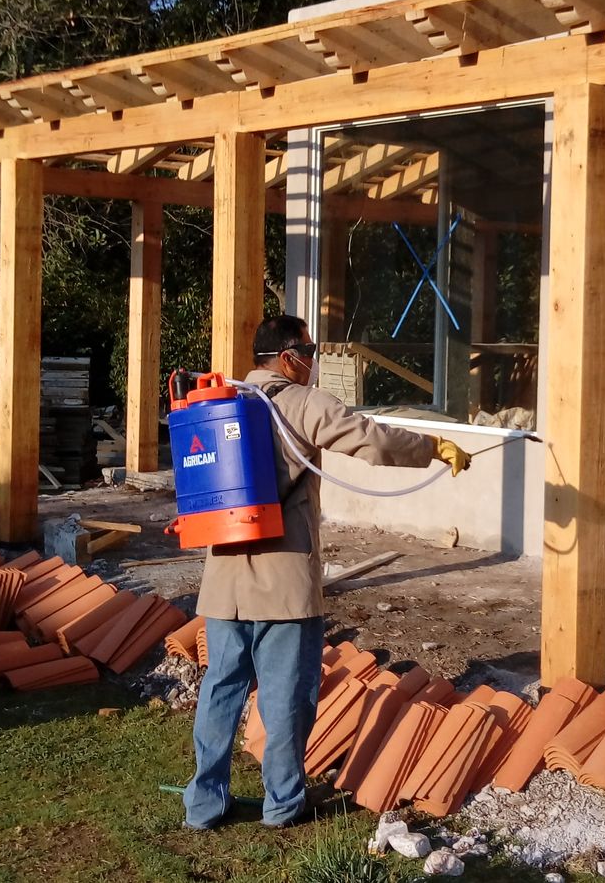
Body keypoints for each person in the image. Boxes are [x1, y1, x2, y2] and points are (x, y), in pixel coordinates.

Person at [183, 314, 471, 829]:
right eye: (310, 354)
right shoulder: (298, 403)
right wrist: (434, 448)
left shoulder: (219, 402)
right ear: (289, 357)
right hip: (284, 585)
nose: (314, 365)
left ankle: (204, 805)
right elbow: (372, 440)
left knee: (221, 689)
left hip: (224, 582)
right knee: (286, 696)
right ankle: (283, 804)